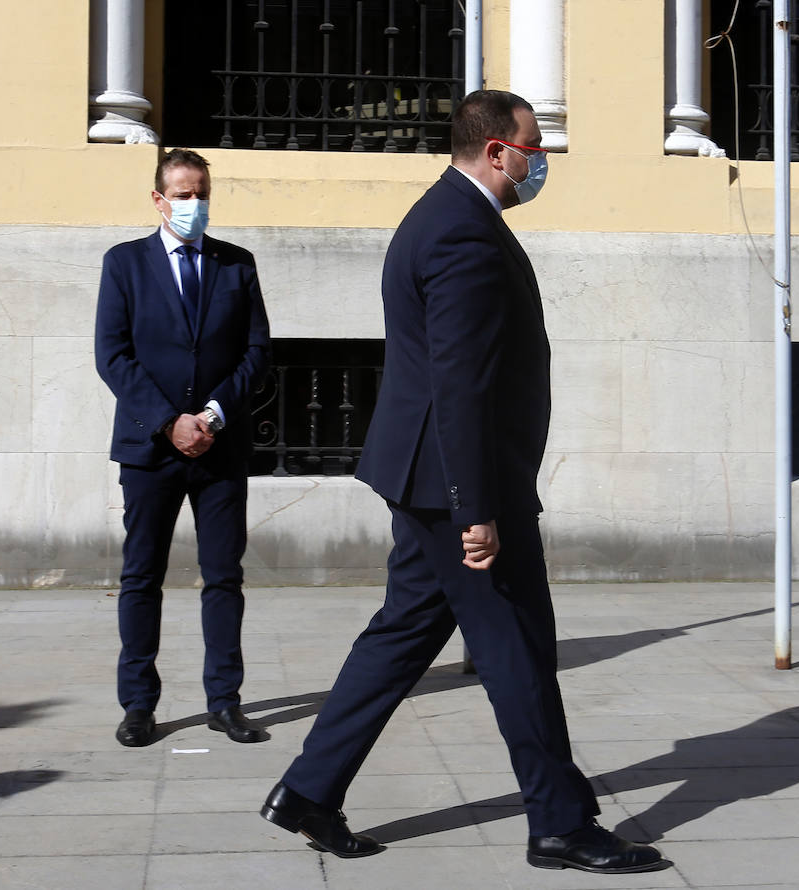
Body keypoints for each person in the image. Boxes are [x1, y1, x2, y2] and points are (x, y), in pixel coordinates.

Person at [260, 90, 667, 874]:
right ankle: (560, 823)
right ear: (496, 152)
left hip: (431, 476)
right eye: (534, 147)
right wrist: (475, 507)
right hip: (459, 485)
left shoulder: (444, 215)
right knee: (518, 648)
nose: (541, 161)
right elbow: (460, 382)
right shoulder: (462, 233)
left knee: (403, 634)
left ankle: (308, 791)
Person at [94, 148, 273, 747]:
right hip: (150, 449)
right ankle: (138, 704)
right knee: (141, 577)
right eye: (182, 194)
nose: (193, 204)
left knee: (223, 577)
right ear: (158, 199)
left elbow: (256, 352)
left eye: (202, 194)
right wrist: (170, 421)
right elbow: (113, 355)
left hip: (220, 447)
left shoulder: (236, 265)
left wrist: (213, 415)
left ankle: (225, 701)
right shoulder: (124, 264)